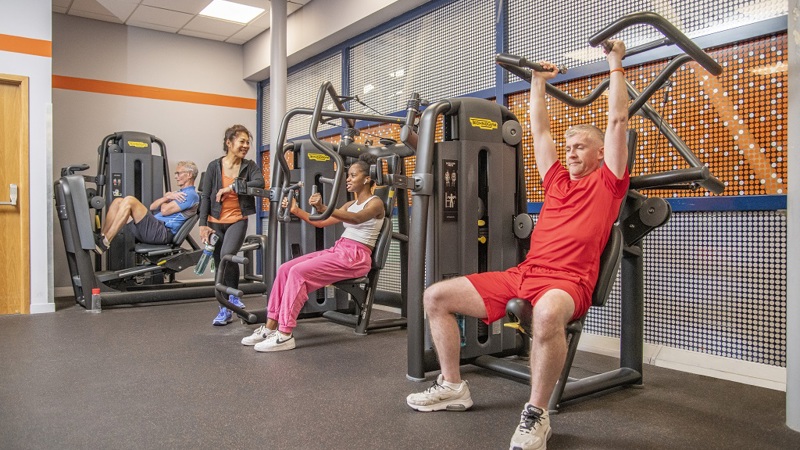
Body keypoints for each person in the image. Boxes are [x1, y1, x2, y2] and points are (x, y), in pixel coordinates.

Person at [405, 40, 630, 450]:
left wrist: (614, 61)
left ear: (601, 153)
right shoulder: (558, 181)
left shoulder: (609, 183)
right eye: (569, 146)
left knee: (545, 316)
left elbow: (618, 120)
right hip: (524, 274)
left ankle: (537, 415)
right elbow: (539, 131)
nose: (571, 151)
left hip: (568, 283)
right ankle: (453, 386)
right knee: (436, 296)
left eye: (580, 145)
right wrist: (538, 83)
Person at [240, 153, 385, 352]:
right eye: (348, 175)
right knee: (285, 269)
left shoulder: (375, 203)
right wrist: (296, 210)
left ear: (367, 179)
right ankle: (270, 326)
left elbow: (357, 219)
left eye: (353, 175)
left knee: (298, 273)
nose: (348, 179)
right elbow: (321, 221)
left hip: (356, 257)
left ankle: (285, 334)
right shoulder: (349, 204)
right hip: (340, 249)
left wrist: (324, 207)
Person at [198, 124, 265, 326]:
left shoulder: (249, 166)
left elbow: (259, 183)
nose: (245, 145)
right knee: (220, 262)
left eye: (247, 142)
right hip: (215, 222)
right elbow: (205, 197)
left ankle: (233, 297)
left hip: (237, 219)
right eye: (241, 141)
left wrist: (231, 187)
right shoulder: (213, 166)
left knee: (227, 255)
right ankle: (224, 309)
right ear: (229, 143)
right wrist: (202, 224)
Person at [94, 160, 200, 254]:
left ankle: (106, 242)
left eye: (178, 173)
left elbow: (164, 210)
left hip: (162, 232)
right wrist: (166, 197)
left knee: (130, 200)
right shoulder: (178, 193)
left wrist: (167, 198)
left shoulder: (190, 195)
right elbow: (152, 207)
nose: (175, 176)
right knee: (118, 202)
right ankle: (102, 237)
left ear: (189, 174)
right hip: (152, 229)